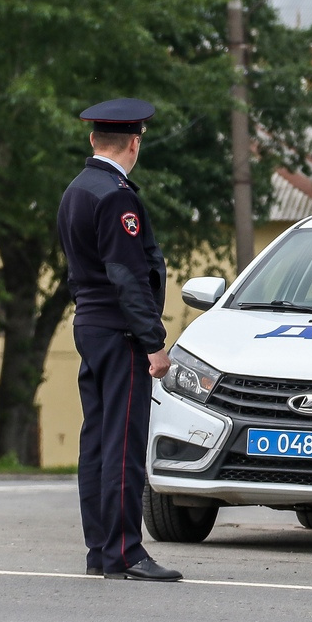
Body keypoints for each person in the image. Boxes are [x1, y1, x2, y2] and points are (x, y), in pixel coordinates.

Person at [56, 97, 181, 582]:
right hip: (120, 330)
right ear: (135, 142)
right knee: (123, 444)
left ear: (93, 139)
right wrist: (153, 341)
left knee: (98, 442)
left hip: (89, 324)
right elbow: (127, 275)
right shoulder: (116, 196)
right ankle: (126, 552)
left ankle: (100, 550)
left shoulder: (77, 189)